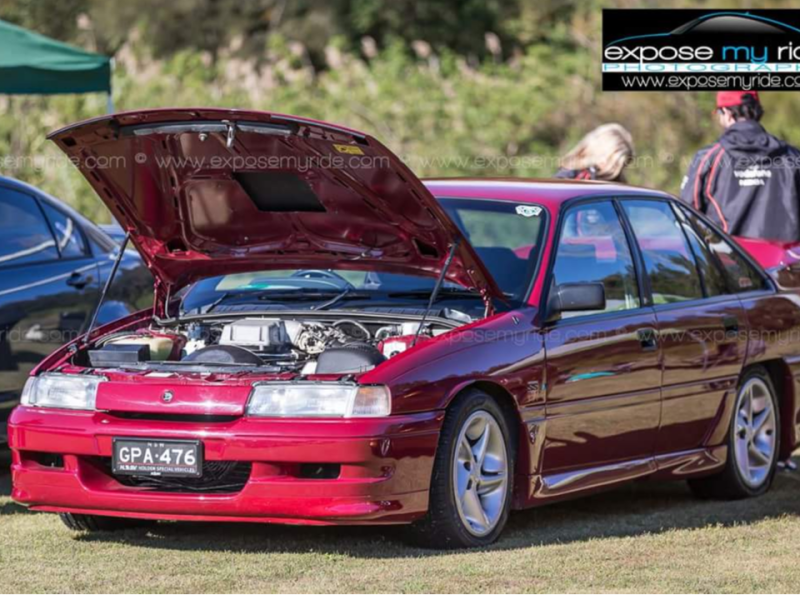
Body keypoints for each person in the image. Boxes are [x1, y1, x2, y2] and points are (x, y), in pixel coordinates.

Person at [681, 91, 800, 242]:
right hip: (787, 262)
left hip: (728, 261)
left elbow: (686, 215)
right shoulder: (792, 156)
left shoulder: (708, 159)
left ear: (727, 113)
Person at [555, 123, 634, 182]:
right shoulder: (569, 178)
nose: (615, 172)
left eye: (621, 166)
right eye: (613, 163)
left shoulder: (619, 186)